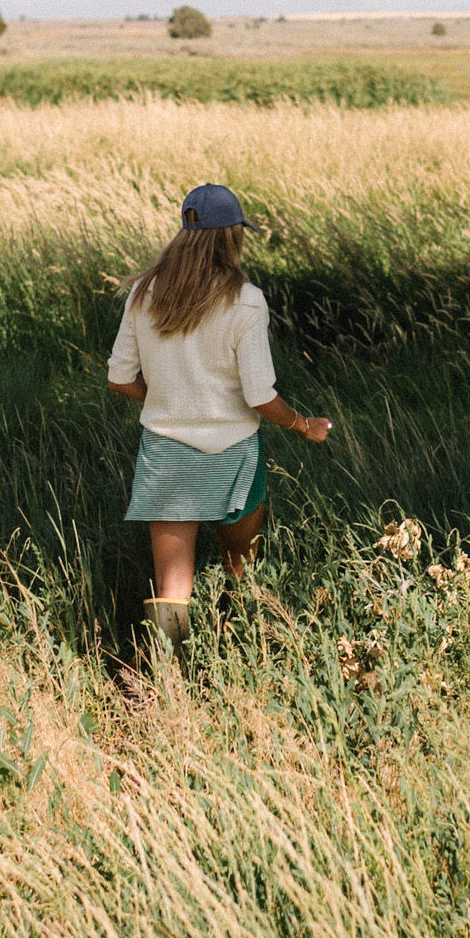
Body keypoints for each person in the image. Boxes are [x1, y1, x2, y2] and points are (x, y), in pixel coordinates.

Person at [107, 182, 332, 672]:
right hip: (233, 455)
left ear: (183, 231)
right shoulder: (246, 301)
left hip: (165, 455)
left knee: (172, 590)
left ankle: (170, 683)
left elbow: (119, 379)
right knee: (240, 567)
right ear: (233, 236)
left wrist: (170, 399)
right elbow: (259, 397)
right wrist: (303, 425)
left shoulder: (145, 294)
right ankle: (237, 656)